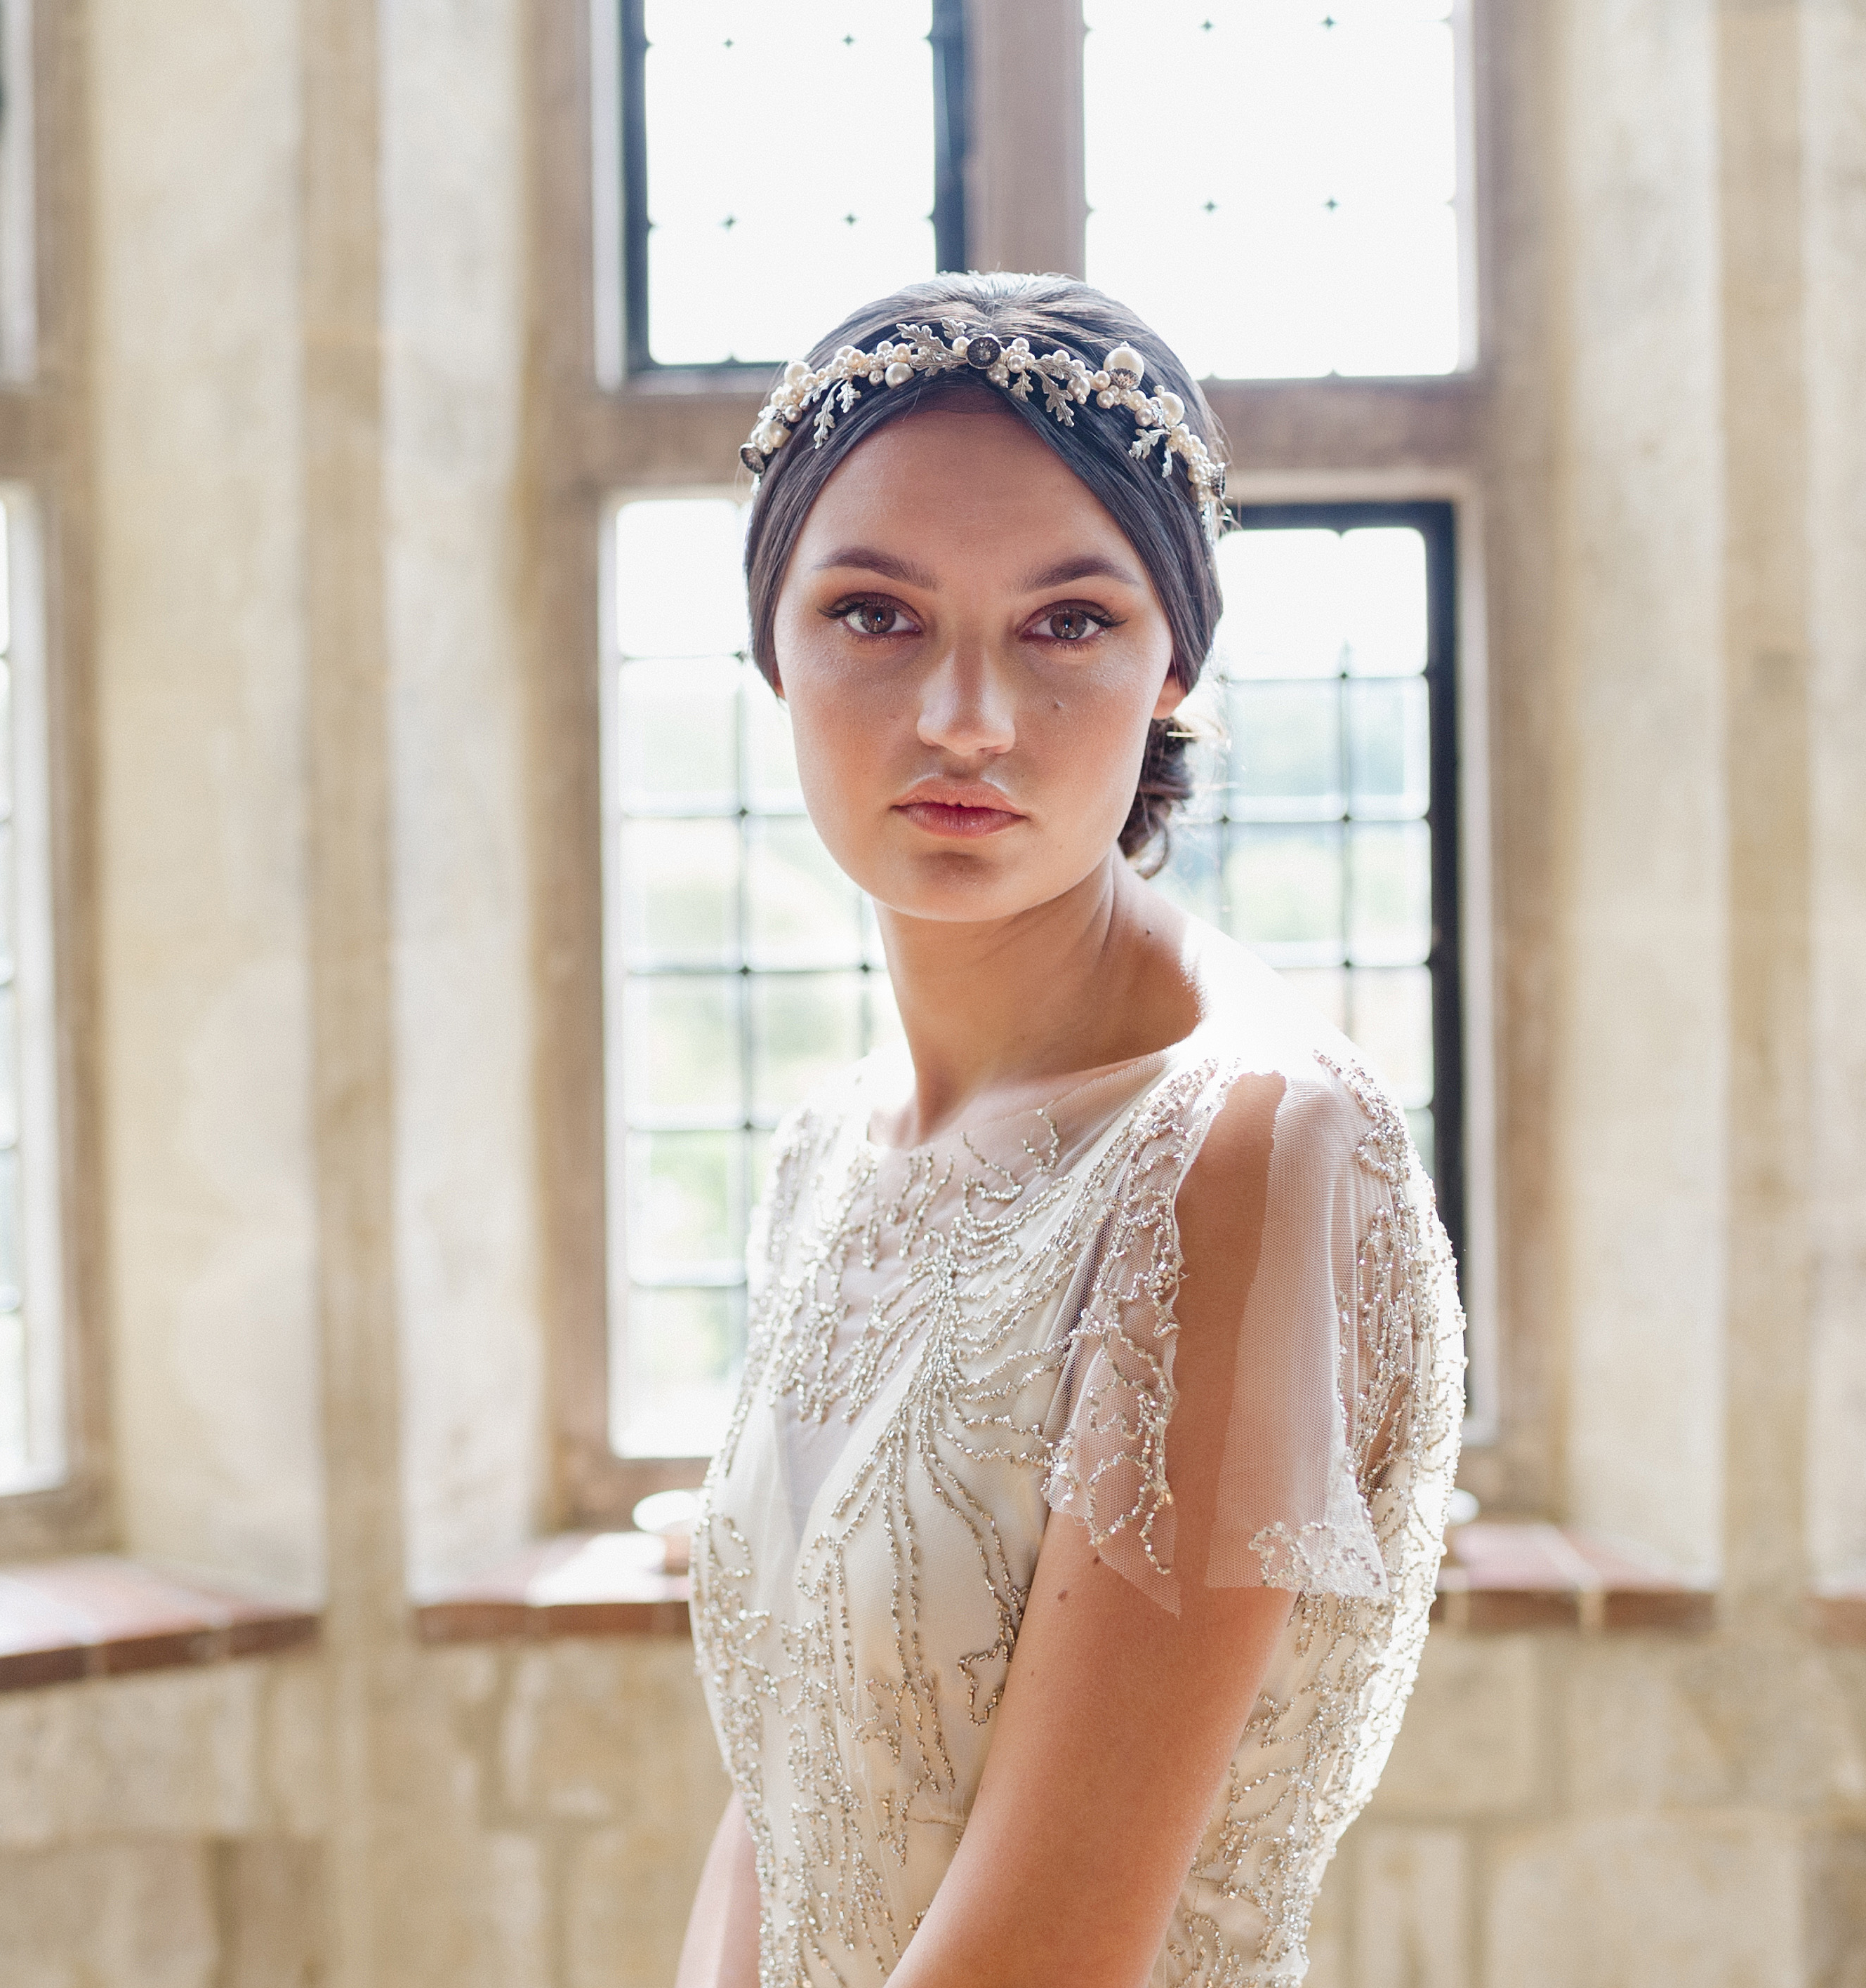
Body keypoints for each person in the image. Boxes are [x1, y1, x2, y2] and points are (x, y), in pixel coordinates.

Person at [677, 272, 1467, 1988]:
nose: (964, 715)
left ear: (1175, 664)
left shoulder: (1250, 1149)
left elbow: (1045, 1955)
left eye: (1066, 621)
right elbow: (786, 1800)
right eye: (875, 613)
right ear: (773, 645)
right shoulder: (833, 1150)